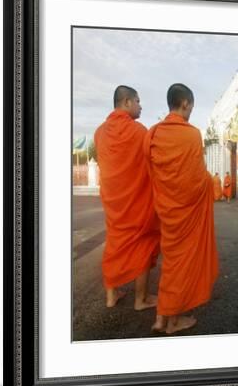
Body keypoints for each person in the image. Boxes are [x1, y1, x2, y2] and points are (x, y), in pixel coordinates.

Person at [144, 83, 219, 334]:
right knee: (181, 266)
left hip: (166, 210)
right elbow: (196, 179)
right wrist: (210, 183)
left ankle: (160, 317)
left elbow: (150, 173)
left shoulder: (153, 133)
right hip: (187, 212)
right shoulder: (192, 134)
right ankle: (173, 321)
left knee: (171, 263)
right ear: (185, 103)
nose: (190, 113)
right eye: (191, 108)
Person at [94, 85, 160, 310]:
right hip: (138, 203)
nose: (141, 106)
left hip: (114, 204)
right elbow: (153, 163)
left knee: (114, 244)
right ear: (127, 102)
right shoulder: (139, 131)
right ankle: (141, 299)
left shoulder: (99, 132)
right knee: (144, 244)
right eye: (138, 101)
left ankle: (111, 296)